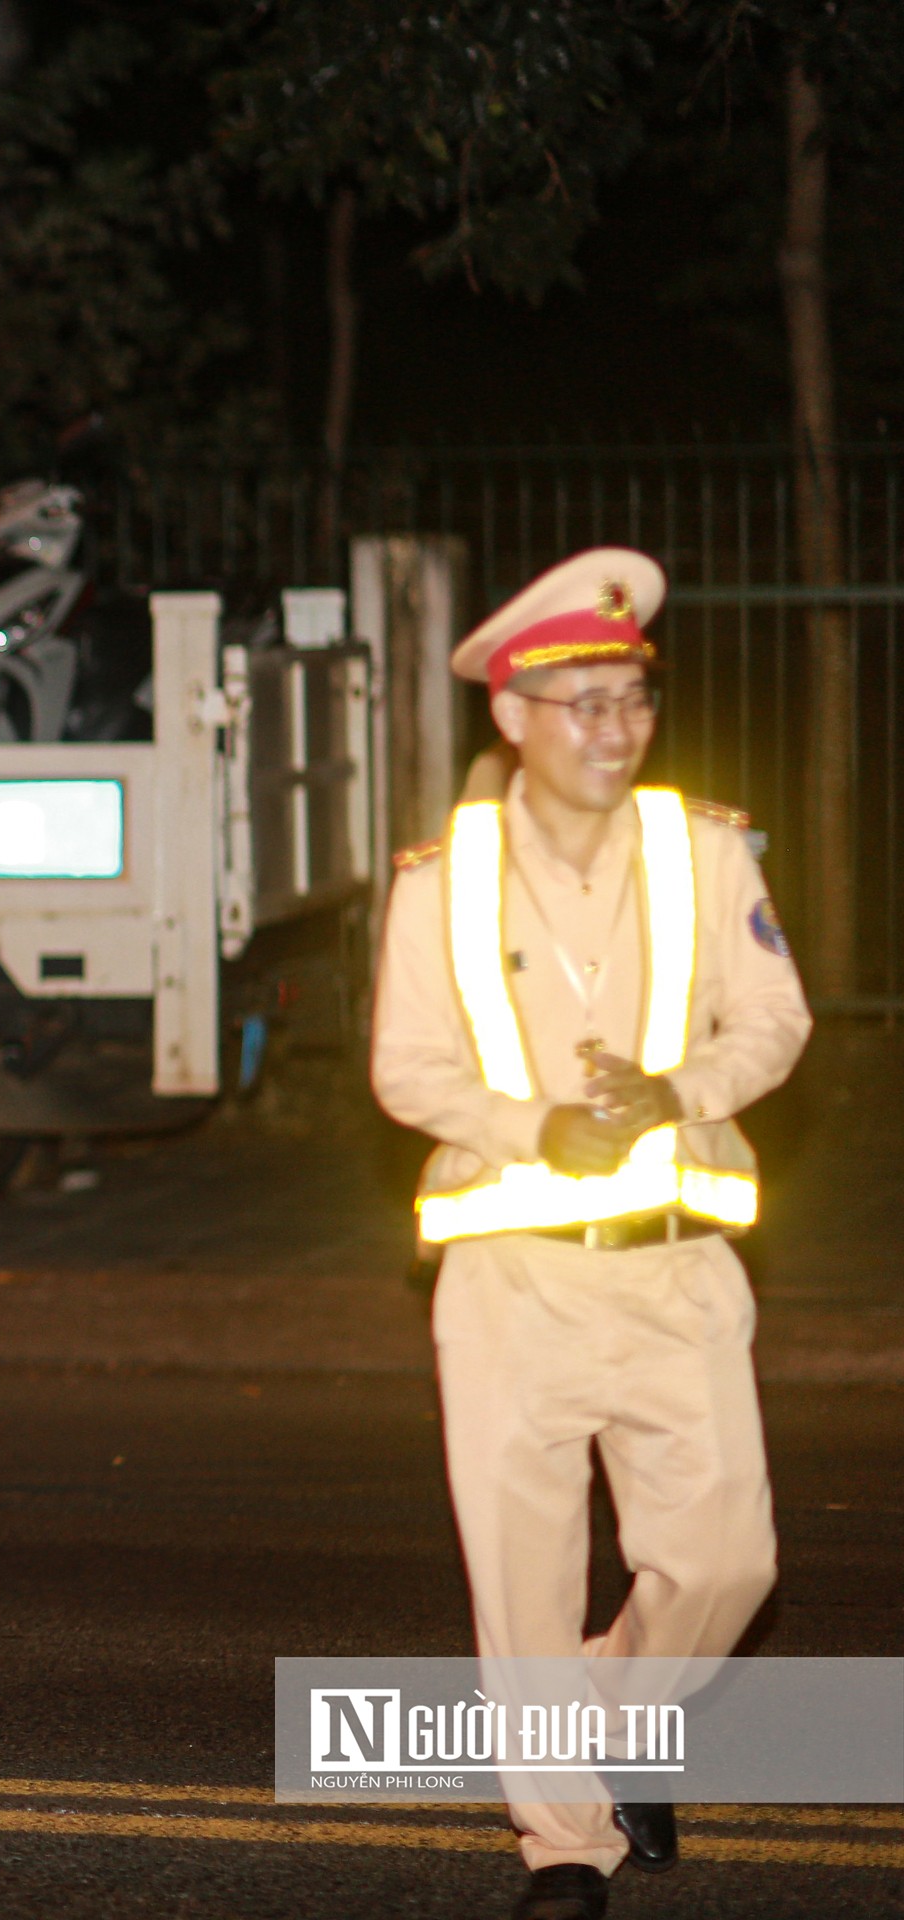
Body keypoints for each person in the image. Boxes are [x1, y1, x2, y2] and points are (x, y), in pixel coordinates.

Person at [372, 550, 807, 1920]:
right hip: (509, 1283)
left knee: (730, 1558)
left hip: (676, 1269)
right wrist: (528, 1126)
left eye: (632, 701)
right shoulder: (442, 880)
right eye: (583, 706)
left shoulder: (706, 847)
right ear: (512, 716)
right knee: (522, 1570)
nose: (615, 732)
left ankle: (618, 1722)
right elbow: (405, 1069)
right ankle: (563, 1844)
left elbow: (777, 1023)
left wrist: (679, 1093)